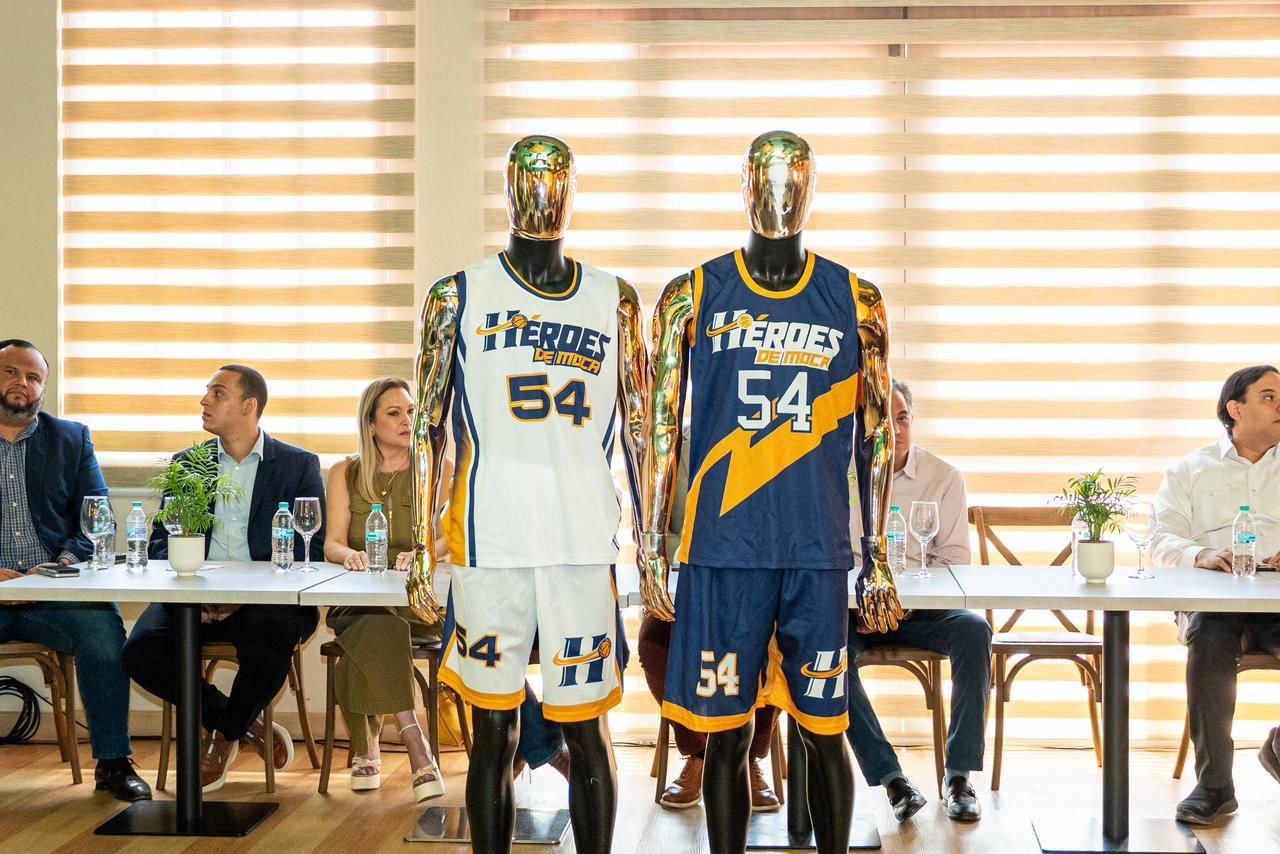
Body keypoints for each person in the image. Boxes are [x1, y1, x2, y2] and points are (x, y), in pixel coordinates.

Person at [405, 136, 648, 854]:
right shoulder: (458, 295)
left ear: (573, 191)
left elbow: (642, 429)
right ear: (508, 189)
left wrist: (653, 543)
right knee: (492, 733)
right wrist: (420, 542)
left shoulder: (614, 298)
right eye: (529, 177)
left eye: (557, 177)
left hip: (580, 542)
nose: (543, 191)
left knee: (588, 728)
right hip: (492, 543)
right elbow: (427, 428)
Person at [122, 364, 325, 793]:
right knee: (139, 652)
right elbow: (161, 544)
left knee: (272, 641)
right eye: (207, 392)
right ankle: (239, 725)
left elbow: (312, 548)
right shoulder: (188, 464)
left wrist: (242, 596)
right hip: (192, 597)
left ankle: (223, 736)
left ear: (249, 406)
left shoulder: (297, 465)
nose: (204, 400)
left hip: (266, 602)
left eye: (217, 393)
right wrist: (197, 587)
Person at [0, 339, 151, 801]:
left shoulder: (71, 438)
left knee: (104, 636)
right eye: (10, 372)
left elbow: (98, 521)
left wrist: (59, 566)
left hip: (54, 592)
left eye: (33, 377)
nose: (22, 383)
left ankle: (113, 762)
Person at [847, 380, 991, 822]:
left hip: (920, 609)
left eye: (903, 418)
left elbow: (953, 563)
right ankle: (893, 781)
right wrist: (866, 605)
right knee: (820, 649)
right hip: (854, 611)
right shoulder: (837, 474)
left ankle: (958, 777)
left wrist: (899, 608)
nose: (895, 429)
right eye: (883, 420)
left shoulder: (943, 477)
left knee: (974, 630)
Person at [1150, 364, 1280, 826]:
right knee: (1208, 638)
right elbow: (1160, 539)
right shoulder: (1189, 469)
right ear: (1235, 409)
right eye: (1269, 396)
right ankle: (1215, 787)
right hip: (1215, 603)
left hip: (1277, 602)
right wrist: (1201, 554)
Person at [639, 425, 781, 811]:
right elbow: (658, 530)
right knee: (654, 641)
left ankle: (750, 757)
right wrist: (701, 553)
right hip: (689, 583)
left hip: (755, 582)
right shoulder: (675, 442)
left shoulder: (775, 435)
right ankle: (699, 754)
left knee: (774, 639)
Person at [322, 377, 444, 801]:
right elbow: (332, 543)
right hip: (359, 599)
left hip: (418, 603)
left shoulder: (435, 468)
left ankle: (366, 748)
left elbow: (451, 536)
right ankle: (415, 742)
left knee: (370, 634)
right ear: (371, 424)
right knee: (374, 619)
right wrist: (349, 556)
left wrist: (424, 553)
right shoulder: (345, 472)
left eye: (410, 411)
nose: (407, 420)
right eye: (394, 413)